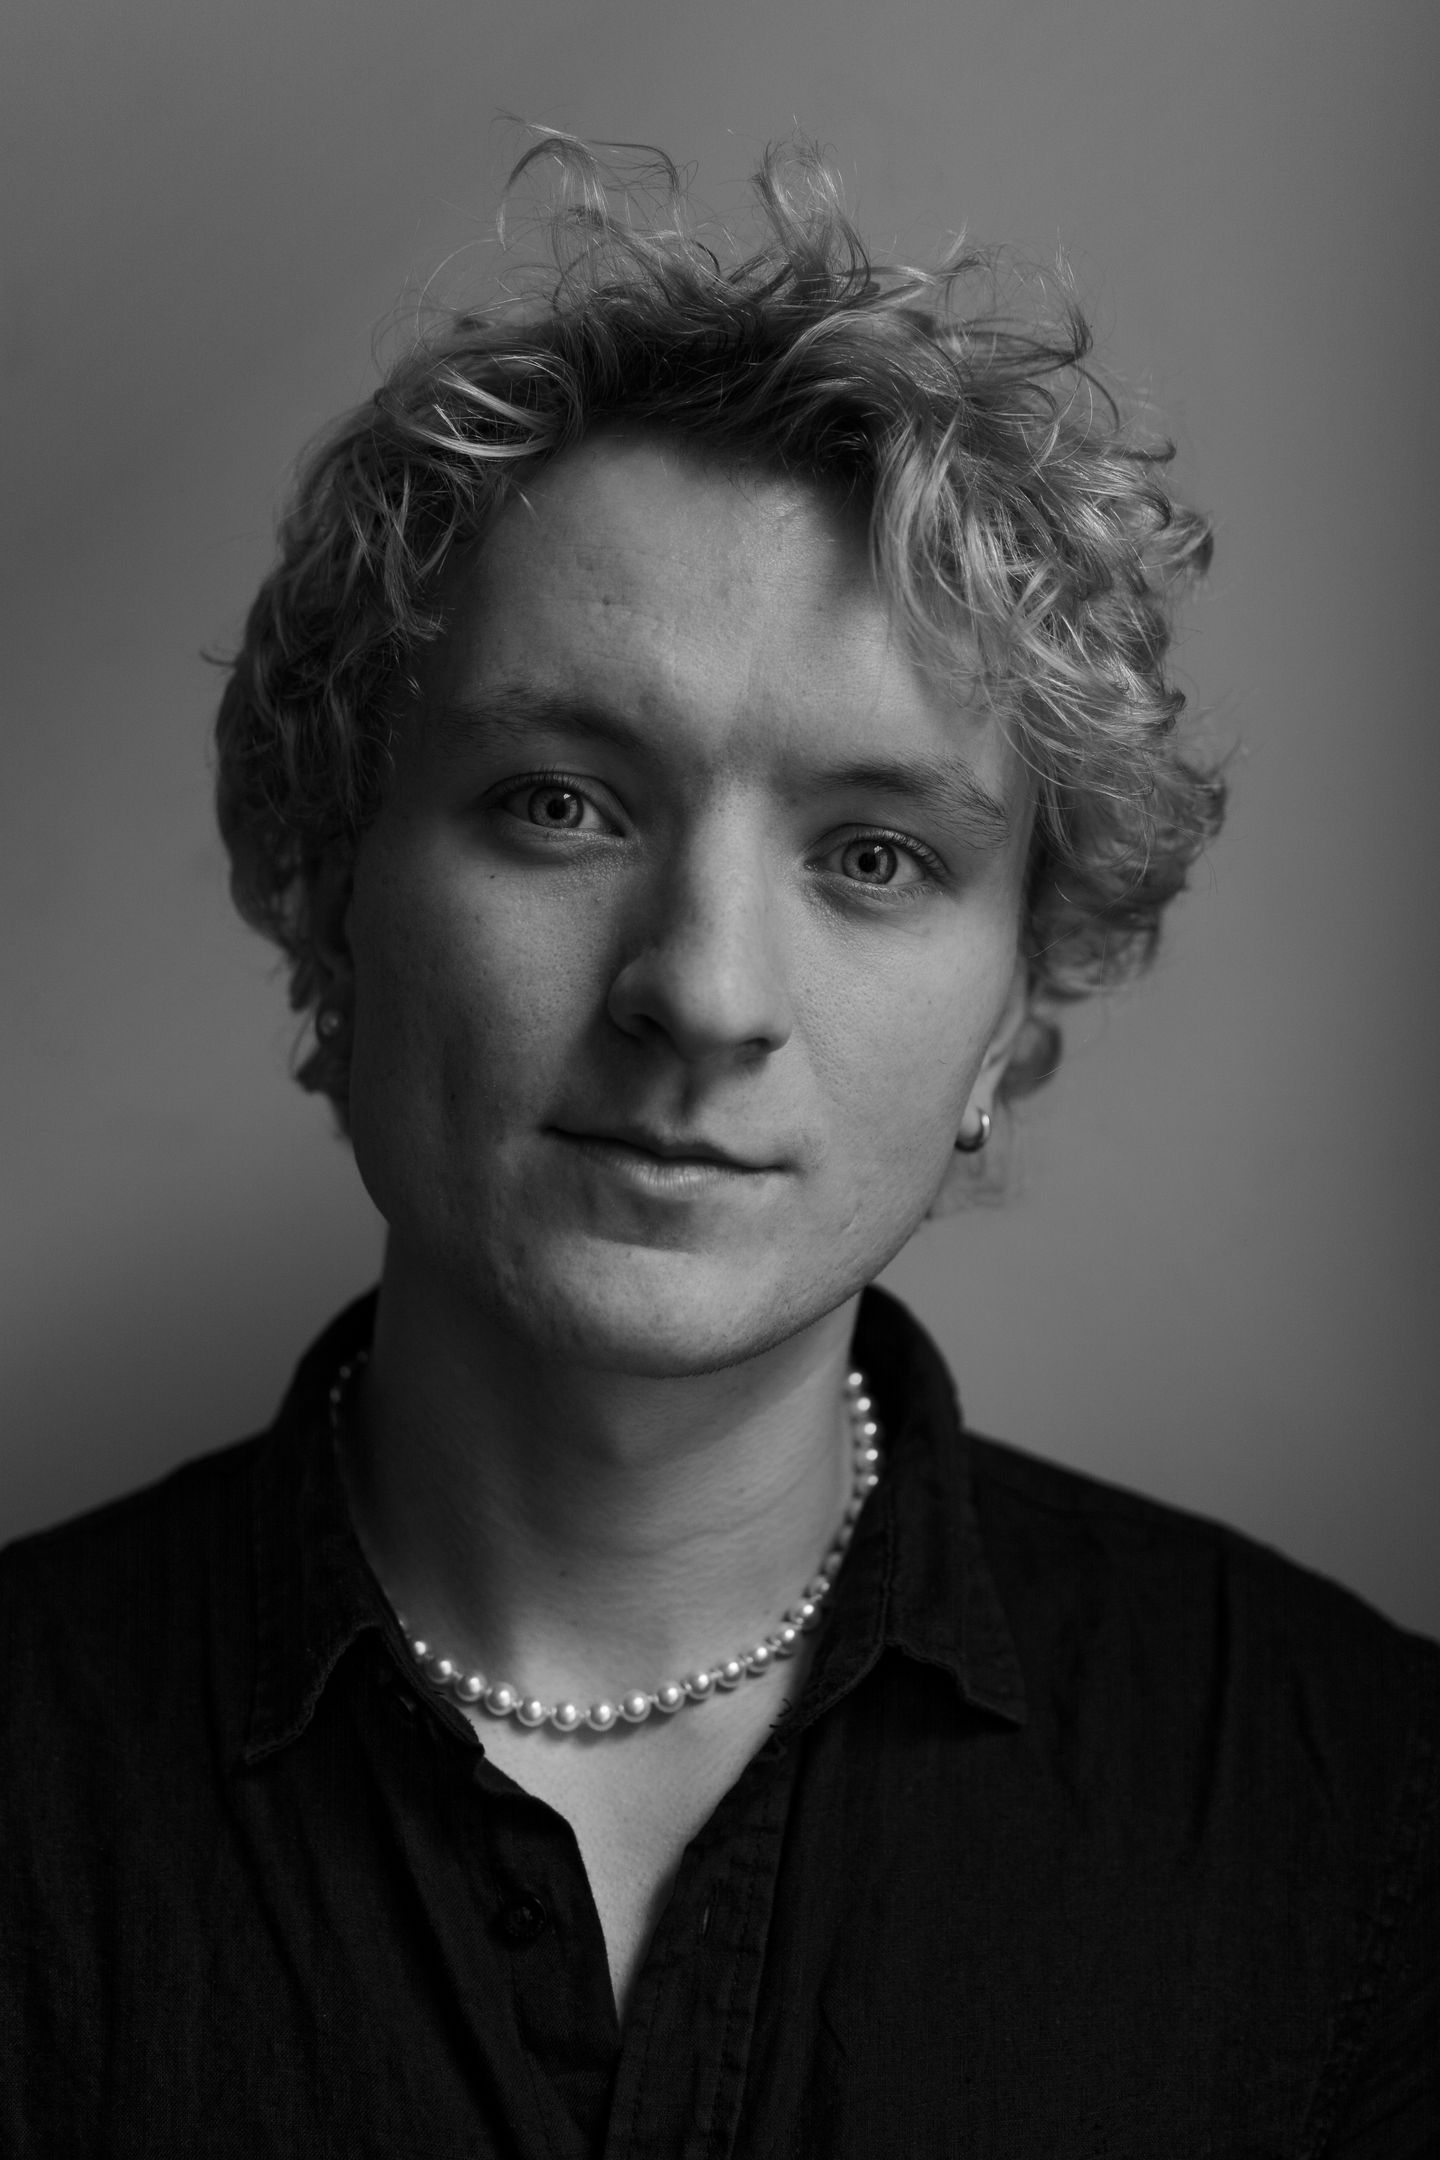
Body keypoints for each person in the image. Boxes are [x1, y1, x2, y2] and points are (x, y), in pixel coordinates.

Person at [2, 135, 1434, 2157]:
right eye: (561, 804)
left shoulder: (1347, 1802)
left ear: (1017, 1013)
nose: (703, 989)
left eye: (875, 854)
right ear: (326, 889)